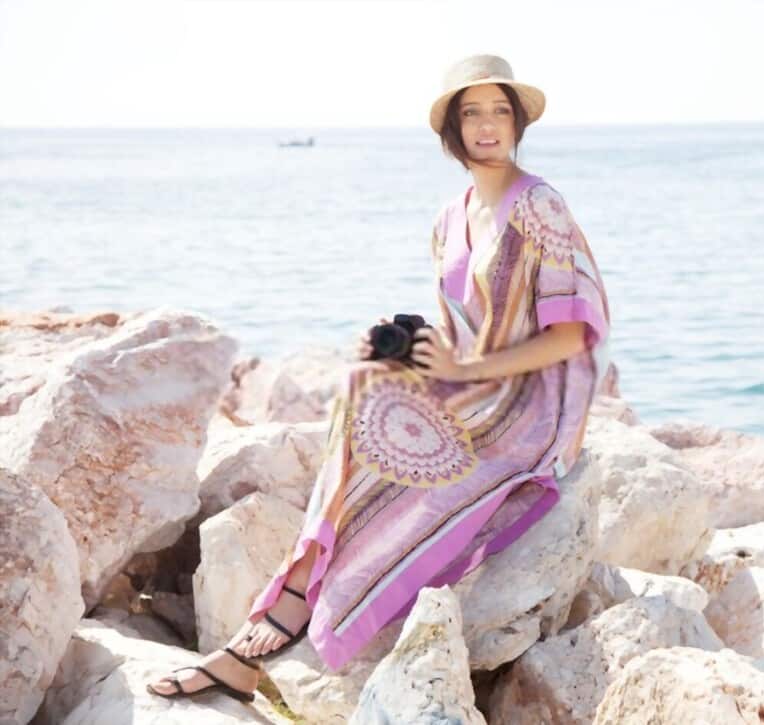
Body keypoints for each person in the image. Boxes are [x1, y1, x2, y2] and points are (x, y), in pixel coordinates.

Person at [147, 53, 611, 702]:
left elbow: (571, 333)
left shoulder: (541, 205)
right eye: (471, 112)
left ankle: (276, 619)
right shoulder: (450, 219)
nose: (487, 125)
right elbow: (458, 334)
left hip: (531, 406)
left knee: (388, 451)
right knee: (366, 382)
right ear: (451, 129)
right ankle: (275, 616)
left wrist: (469, 369)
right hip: (476, 384)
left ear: (517, 123)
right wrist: (407, 351)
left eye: (499, 111)